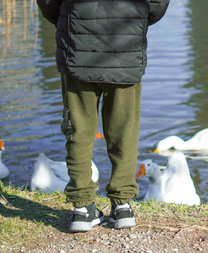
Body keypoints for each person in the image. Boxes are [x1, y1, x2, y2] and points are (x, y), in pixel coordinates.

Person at [37, 0, 169, 232]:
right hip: (125, 44)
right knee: (124, 131)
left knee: (78, 130)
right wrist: (137, 18)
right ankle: (122, 206)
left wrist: (70, 18)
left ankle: (82, 208)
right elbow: (157, 3)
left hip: (77, 45)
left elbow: (48, 2)